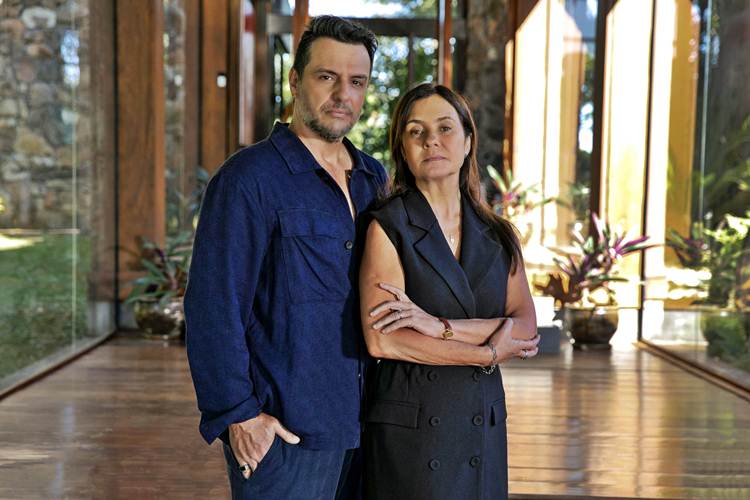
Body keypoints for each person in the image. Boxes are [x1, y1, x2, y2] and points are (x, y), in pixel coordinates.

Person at [184, 16, 386, 500]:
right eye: (326, 76)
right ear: (295, 81)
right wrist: (238, 415)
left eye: (357, 81)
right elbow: (213, 306)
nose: (342, 94)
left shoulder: (373, 178)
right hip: (286, 431)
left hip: (368, 424)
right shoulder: (247, 179)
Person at [359, 83, 540, 500]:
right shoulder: (388, 226)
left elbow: (526, 328)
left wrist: (436, 325)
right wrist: (487, 352)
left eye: (445, 128)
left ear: (468, 141)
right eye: (416, 131)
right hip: (413, 426)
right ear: (403, 149)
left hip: (481, 420)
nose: (431, 140)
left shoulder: (499, 234)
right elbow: (384, 340)